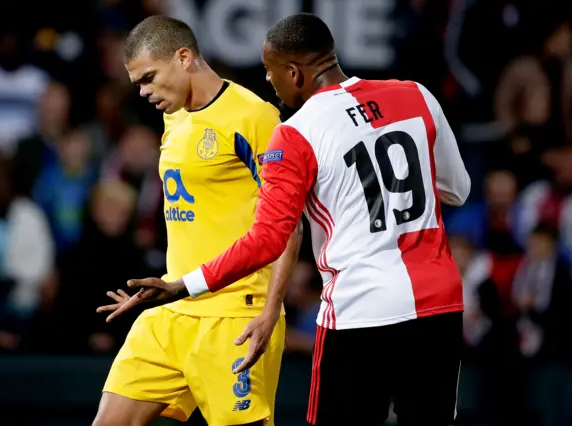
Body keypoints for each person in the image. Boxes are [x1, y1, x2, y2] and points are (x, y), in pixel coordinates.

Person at [114, 13, 471, 426]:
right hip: (438, 302)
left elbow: (269, 237)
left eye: (270, 71)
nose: (269, 82)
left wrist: (182, 285)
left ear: (295, 73)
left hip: (359, 308)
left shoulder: (296, 130)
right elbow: (456, 189)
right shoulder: (416, 94)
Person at [93, 15, 302, 426]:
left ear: (184, 57)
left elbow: (289, 223)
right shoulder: (174, 117)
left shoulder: (253, 116)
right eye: (137, 83)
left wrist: (271, 309)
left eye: (149, 77)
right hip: (172, 310)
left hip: (237, 315)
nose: (144, 92)